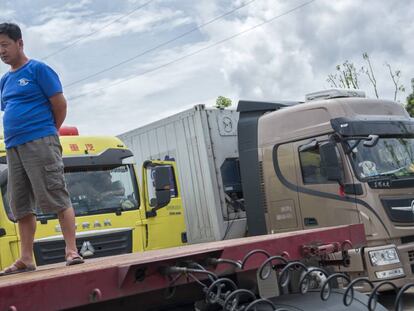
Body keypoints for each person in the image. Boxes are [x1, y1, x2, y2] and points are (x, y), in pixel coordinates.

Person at [0, 22, 83, 275]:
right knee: (20, 203)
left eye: (4, 45)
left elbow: (60, 105)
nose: (1, 51)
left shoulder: (38, 70)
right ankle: (26, 258)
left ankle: (71, 250)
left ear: (20, 43)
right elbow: (9, 110)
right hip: (14, 147)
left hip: (41, 142)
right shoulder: (5, 80)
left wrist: (49, 131)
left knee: (55, 193)